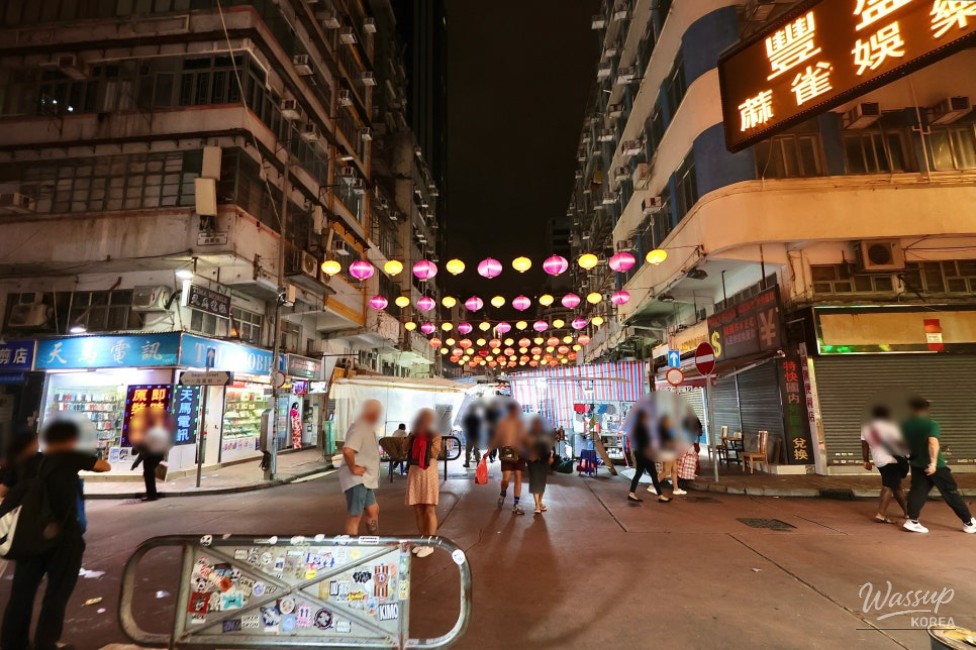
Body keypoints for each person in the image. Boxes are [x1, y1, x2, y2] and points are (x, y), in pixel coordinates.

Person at [1, 419, 111, 650]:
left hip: (29, 536)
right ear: (71, 439)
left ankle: (13, 642)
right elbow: (104, 466)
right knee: (57, 594)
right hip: (64, 538)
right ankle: (46, 642)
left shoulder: (26, 461)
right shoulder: (71, 456)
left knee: (22, 592)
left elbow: (3, 490)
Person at [900, 397, 976, 534]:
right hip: (935, 466)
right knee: (951, 492)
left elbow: (902, 443)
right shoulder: (931, 424)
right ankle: (969, 523)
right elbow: (932, 443)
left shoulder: (905, 425)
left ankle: (912, 521)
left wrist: (909, 455)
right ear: (926, 409)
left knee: (918, 491)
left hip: (917, 464)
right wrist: (933, 463)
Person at [338, 400, 382, 536]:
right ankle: (351, 548)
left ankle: (373, 540)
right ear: (372, 413)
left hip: (365, 479)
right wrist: (353, 468)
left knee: (373, 510)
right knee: (355, 515)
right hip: (357, 479)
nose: (379, 417)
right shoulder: (359, 427)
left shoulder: (366, 428)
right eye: (378, 413)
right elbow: (347, 450)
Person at [860, 404, 909, 524]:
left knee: (896, 486)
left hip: (879, 461)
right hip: (892, 460)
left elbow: (864, 445)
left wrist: (866, 460)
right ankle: (881, 514)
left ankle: (908, 512)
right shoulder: (890, 427)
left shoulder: (866, 427)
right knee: (888, 486)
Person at [405, 409, 442, 558]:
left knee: (429, 509)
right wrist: (413, 435)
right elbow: (403, 449)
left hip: (428, 473)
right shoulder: (412, 434)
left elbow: (434, 452)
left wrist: (424, 436)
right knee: (418, 508)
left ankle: (430, 543)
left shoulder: (435, 434)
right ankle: (421, 539)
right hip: (414, 472)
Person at [488, 402, 528, 515]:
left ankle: (516, 504)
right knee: (505, 479)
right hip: (507, 453)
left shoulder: (521, 423)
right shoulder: (502, 423)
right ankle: (503, 492)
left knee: (518, 476)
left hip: (520, 453)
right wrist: (489, 451)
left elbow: (526, 437)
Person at [131, 411, 172, 502]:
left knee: (148, 474)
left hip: (150, 457)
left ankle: (152, 494)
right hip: (156, 456)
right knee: (149, 474)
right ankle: (152, 493)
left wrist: (136, 461)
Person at [627, 409, 666, 503]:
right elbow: (647, 442)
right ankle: (660, 495)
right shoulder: (643, 428)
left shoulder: (637, 427)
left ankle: (631, 493)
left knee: (639, 474)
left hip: (639, 453)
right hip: (645, 454)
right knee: (653, 474)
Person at [526, 417, 554, 514]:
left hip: (544, 460)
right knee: (534, 481)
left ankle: (540, 502)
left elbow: (550, 446)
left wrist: (550, 456)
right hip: (533, 461)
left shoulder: (545, 435)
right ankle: (537, 505)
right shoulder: (529, 434)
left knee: (542, 482)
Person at [657, 415, 685, 497]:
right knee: (666, 471)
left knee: (674, 470)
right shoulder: (664, 432)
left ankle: (676, 489)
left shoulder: (668, 430)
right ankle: (653, 486)